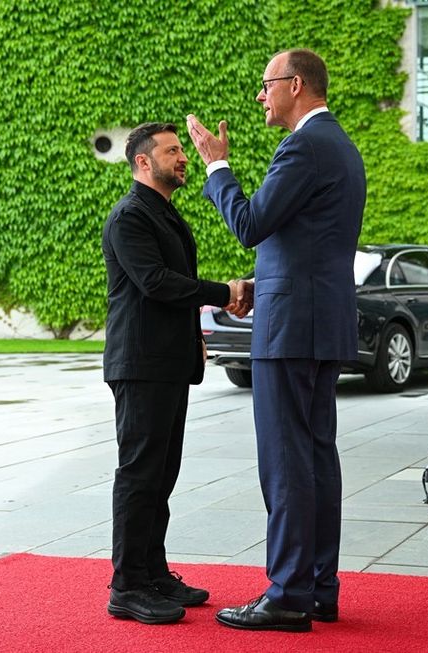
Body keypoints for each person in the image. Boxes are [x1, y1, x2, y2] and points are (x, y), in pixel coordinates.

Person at [186, 48, 366, 632]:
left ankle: (288, 594)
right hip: (319, 322)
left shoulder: (304, 146)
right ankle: (318, 588)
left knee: (286, 462)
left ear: (295, 84)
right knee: (315, 458)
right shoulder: (339, 145)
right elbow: (302, 243)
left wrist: (218, 168)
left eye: (266, 85)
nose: (260, 96)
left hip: (291, 328)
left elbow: (250, 224)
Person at [101, 122, 252, 625]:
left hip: (165, 363)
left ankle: (153, 572)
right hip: (140, 365)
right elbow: (156, 283)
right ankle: (127, 586)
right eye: (172, 150)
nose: (183, 156)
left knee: (161, 475)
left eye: (181, 149)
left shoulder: (162, 212)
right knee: (140, 474)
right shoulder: (129, 216)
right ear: (143, 162)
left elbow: (170, 289)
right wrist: (225, 292)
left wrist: (194, 339)